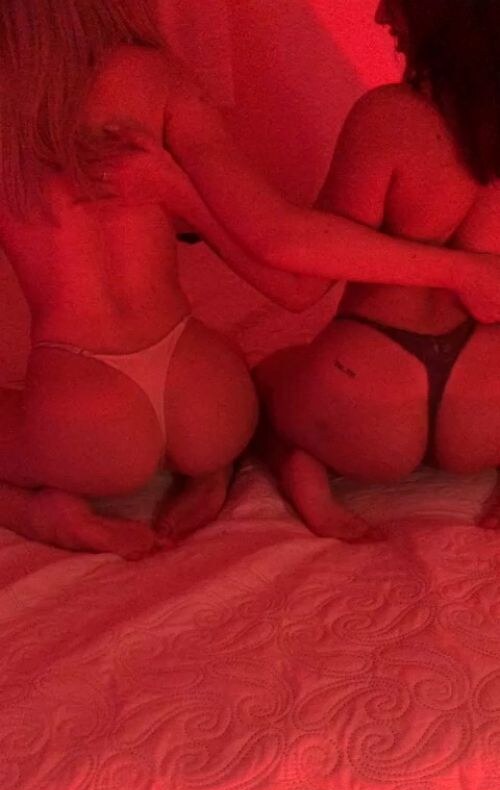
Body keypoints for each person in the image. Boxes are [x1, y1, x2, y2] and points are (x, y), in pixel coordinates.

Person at [1, 1, 500, 558]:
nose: (381, 15)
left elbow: (294, 276)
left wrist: (176, 194)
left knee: (274, 375)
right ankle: (211, 467)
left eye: (396, 1)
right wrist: (468, 269)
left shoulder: (390, 118)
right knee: (231, 372)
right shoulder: (156, 74)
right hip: (222, 401)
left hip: (93, 416)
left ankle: (36, 513)